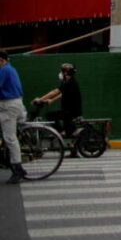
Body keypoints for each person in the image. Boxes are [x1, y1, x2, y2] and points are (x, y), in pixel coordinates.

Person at [33, 63, 83, 138]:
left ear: (66, 72)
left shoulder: (69, 82)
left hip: (70, 112)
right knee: (69, 131)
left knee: (49, 115)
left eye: (62, 71)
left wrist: (40, 99)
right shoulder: (69, 81)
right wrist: (52, 100)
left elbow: (55, 92)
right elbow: (63, 94)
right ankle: (64, 132)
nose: (60, 73)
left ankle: (61, 132)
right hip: (70, 111)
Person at [0, 51, 28, 184]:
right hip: (11, 103)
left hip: (9, 106)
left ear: (1, 60)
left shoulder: (4, 70)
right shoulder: (9, 69)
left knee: (10, 137)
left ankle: (18, 169)